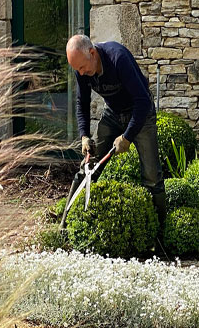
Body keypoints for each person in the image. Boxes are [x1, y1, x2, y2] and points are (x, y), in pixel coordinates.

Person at [63, 34, 166, 242]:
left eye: (83, 67)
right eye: (77, 70)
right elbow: (81, 103)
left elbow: (143, 101)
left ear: (92, 53)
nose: (81, 73)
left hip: (141, 115)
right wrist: (84, 136)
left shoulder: (118, 58)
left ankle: (160, 238)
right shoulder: (81, 70)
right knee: (88, 168)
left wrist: (127, 137)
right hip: (113, 114)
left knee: (152, 177)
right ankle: (65, 227)